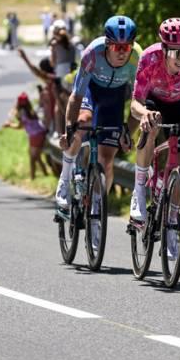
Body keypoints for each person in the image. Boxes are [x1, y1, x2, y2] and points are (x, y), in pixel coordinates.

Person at [129, 17, 180, 260]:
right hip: (152, 102)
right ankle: (139, 192)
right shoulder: (150, 57)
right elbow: (135, 103)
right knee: (150, 129)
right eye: (176, 52)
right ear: (164, 49)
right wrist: (144, 114)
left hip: (178, 105)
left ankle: (173, 220)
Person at [55, 15, 141, 221]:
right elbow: (76, 97)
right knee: (83, 120)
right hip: (91, 92)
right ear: (107, 44)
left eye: (127, 47)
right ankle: (65, 179)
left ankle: (97, 203)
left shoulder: (137, 58)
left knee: (107, 159)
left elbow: (139, 102)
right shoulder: (93, 53)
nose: (122, 52)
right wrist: (69, 129)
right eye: (117, 47)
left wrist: (128, 132)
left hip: (115, 97)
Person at [6, 92, 51, 180]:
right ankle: (44, 174)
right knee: (36, 156)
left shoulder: (22, 112)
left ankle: (33, 177)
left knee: (33, 158)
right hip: (39, 133)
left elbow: (20, 126)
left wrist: (9, 125)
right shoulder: (30, 110)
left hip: (35, 135)